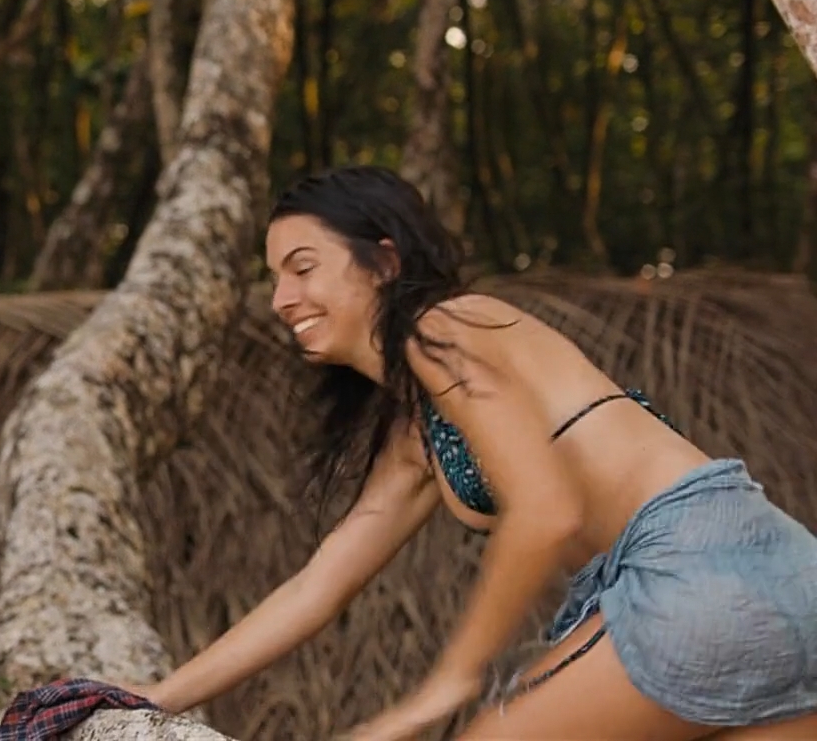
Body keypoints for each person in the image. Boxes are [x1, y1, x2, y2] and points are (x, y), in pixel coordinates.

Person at [118, 166, 817, 740]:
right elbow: (317, 588)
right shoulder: (420, 431)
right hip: (788, 580)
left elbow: (547, 509)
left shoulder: (445, 327)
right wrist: (157, 695)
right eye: (273, 277)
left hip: (697, 574)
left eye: (303, 268)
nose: (281, 298)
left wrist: (447, 682)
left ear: (384, 261)